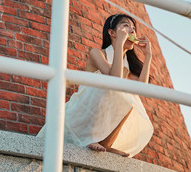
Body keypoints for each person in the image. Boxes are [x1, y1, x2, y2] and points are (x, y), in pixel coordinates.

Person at [37, 14, 153, 157]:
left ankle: (106, 143)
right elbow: (114, 79)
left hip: (100, 115)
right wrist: (119, 46)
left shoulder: (127, 66)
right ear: (112, 33)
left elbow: (142, 89)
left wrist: (148, 56)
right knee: (112, 86)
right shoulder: (97, 53)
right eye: (125, 26)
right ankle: (89, 137)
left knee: (131, 98)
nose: (131, 31)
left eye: (134, 29)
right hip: (81, 113)